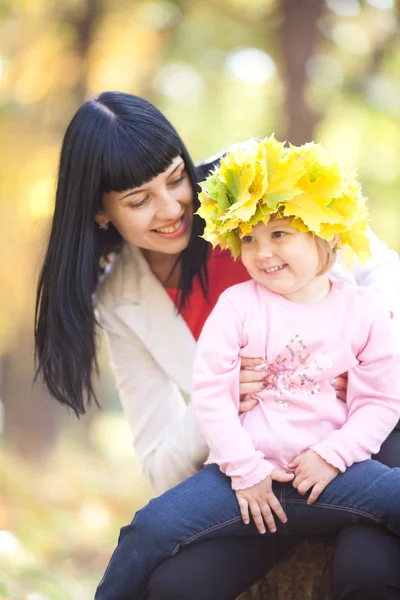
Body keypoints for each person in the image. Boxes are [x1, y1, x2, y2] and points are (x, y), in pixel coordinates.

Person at [34, 92, 400, 600]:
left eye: (175, 179)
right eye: (139, 201)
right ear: (101, 211)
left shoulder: (247, 185)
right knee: (175, 586)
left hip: (366, 438)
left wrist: (347, 347)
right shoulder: (121, 300)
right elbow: (162, 464)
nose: (171, 209)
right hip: (257, 467)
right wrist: (219, 397)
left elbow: (380, 267)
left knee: (368, 568)